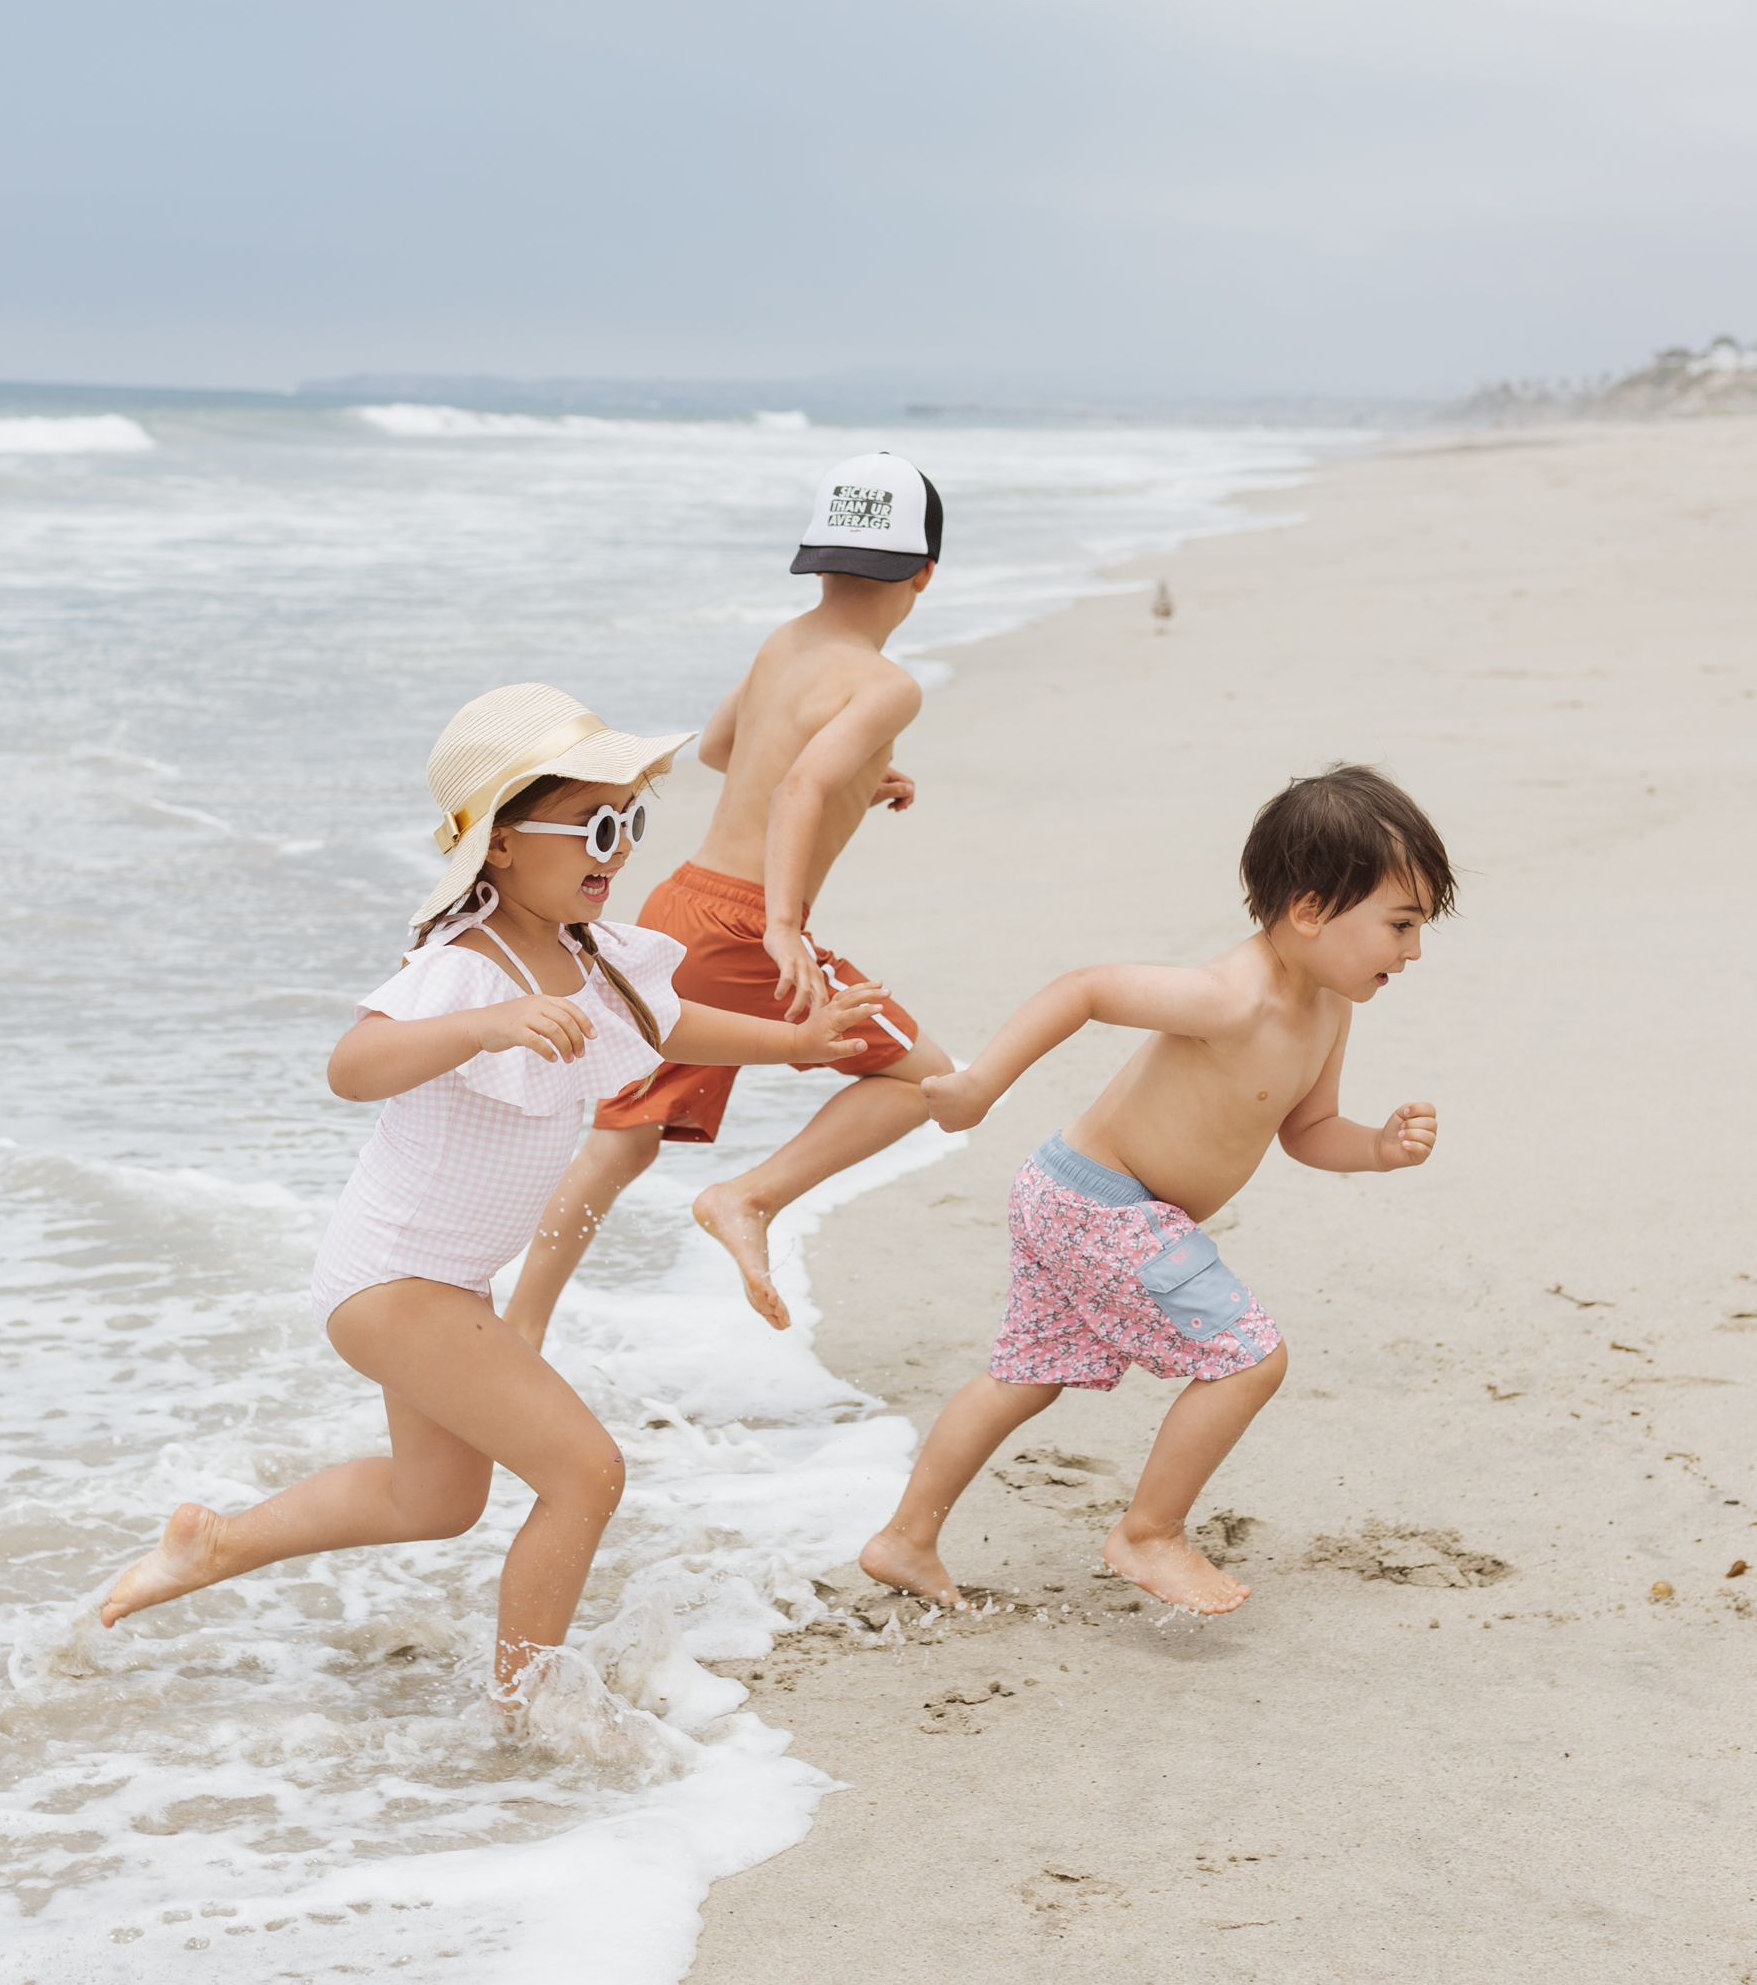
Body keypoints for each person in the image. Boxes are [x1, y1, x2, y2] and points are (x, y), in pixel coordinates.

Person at [99, 683, 883, 1695]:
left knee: (434, 1501)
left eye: (630, 822)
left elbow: (664, 1024)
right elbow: (351, 1066)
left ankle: (213, 1545)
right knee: (585, 1473)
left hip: (441, 1281)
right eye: (595, 826)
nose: (617, 849)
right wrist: (478, 1028)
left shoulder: (580, 952)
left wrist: (797, 1043)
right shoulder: (465, 966)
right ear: (502, 846)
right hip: (393, 1282)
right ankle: (525, 1705)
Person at [859, 764, 1455, 1618]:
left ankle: (905, 1540)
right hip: (1103, 1204)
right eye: (1400, 924)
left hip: (1074, 1196)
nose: (1414, 950)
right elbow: (1088, 990)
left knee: (1024, 1378)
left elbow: (1306, 1130)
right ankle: (1148, 1533)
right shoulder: (1230, 997)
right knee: (1249, 1358)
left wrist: (1378, 1148)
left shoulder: (1328, 1009)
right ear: (1312, 909)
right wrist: (981, 1082)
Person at [502, 453, 955, 1346]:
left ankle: (521, 1331)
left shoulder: (783, 642)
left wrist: (854, 777)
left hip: (680, 905)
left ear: (817, 561)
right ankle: (748, 1197)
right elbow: (794, 791)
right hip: (747, 922)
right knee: (932, 1082)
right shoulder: (885, 684)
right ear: (926, 573)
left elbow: (721, 750)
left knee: (624, 1137)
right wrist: (783, 924)